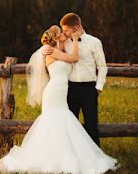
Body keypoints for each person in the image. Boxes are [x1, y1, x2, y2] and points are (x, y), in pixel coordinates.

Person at [0, 25, 118, 174]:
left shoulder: (61, 50)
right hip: (54, 92)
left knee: (63, 123)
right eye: (61, 32)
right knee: (55, 122)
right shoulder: (51, 51)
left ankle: (64, 156)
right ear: (55, 37)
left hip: (62, 91)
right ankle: (53, 160)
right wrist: (74, 39)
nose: (64, 33)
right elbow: (74, 58)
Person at [42, 12, 106, 146]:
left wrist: (98, 87)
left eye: (65, 30)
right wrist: (45, 49)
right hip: (70, 89)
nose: (64, 34)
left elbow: (102, 66)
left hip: (89, 88)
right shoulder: (65, 43)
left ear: (75, 28)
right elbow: (53, 51)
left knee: (91, 124)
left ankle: (94, 156)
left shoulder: (94, 42)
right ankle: (75, 155)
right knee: (71, 125)